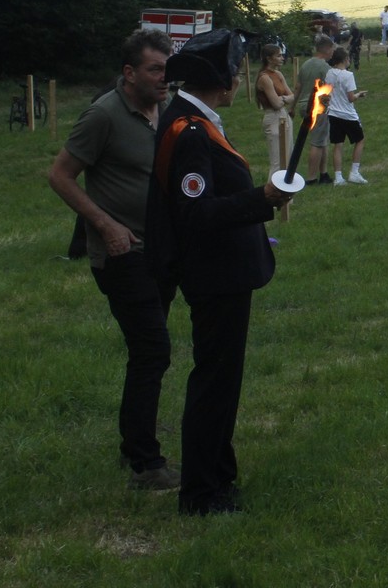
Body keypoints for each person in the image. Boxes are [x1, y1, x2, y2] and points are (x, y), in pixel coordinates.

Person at [146, 28, 293, 516]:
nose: (238, 81)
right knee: (214, 383)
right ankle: (202, 493)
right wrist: (262, 198)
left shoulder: (193, 120)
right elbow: (195, 212)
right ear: (221, 81)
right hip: (215, 274)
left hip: (222, 271)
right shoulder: (189, 130)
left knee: (222, 381)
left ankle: (219, 478)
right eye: (234, 73)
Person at [48, 29, 181, 490]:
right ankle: (146, 464)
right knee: (153, 350)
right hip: (122, 254)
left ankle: (132, 448)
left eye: (167, 69)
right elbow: (60, 175)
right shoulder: (103, 114)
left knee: (148, 353)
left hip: (160, 251)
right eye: (155, 70)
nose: (164, 78)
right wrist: (105, 225)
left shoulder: (165, 109)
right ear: (129, 73)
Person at [292, 34, 335, 184]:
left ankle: (324, 174)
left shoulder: (306, 64)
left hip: (304, 106)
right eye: (332, 49)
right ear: (327, 49)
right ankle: (311, 178)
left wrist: (292, 107)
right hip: (318, 108)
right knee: (317, 143)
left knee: (322, 140)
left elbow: (298, 87)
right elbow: (330, 90)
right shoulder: (325, 67)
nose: (332, 53)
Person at [324, 45, 369, 185]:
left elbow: (327, 92)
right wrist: (359, 95)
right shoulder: (348, 75)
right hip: (348, 114)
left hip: (333, 113)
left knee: (338, 144)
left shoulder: (329, 73)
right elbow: (350, 98)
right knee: (360, 140)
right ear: (344, 59)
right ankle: (354, 172)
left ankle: (338, 177)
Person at [254, 42, 293, 174]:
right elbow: (275, 104)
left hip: (284, 115)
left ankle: (285, 187)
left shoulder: (278, 74)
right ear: (269, 59)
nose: (282, 58)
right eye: (278, 56)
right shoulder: (264, 78)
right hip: (273, 117)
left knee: (288, 159)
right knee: (277, 162)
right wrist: (285, 99)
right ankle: (272, 187)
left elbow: (293, 96)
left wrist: (282, 99)